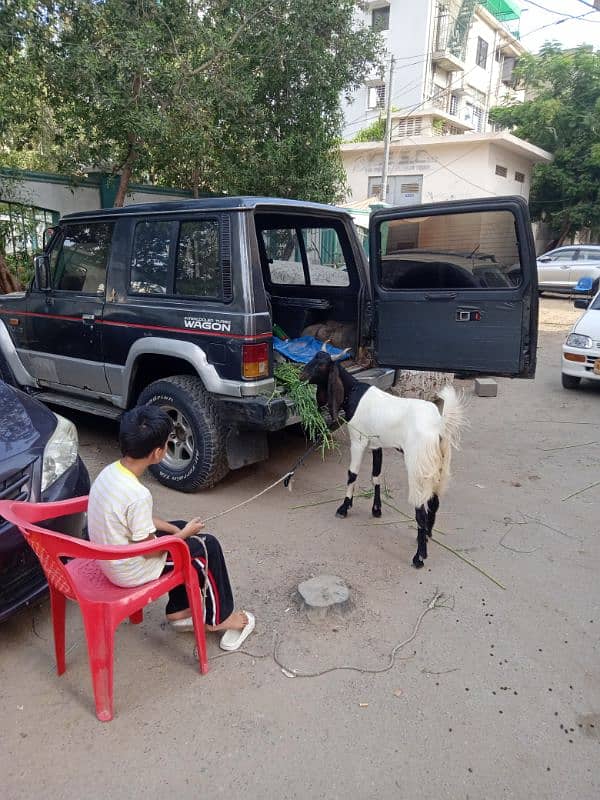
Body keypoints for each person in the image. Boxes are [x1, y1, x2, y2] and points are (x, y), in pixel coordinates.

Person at [87, 405, 255, 651]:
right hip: (129, 569)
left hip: (110, 556)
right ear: (158, 453)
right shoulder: (137, 494)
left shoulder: (110, 473)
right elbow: (149, 550)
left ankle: (178, 610)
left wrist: (176, 530)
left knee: (177, 530)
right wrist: (184, 536)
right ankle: (222, 618)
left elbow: (137, 522)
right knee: (206, 548)